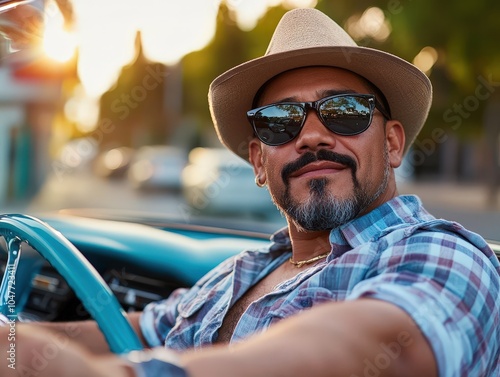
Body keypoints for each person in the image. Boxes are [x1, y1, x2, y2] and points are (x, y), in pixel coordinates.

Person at [1, 7, 499, 377]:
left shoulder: (444, 253)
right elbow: (135, 331)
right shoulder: (238, 273)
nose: (312, 135)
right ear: (260, 161)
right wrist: (15, 347)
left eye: (344, 111)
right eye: (281, 122)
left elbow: (387, 344)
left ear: (391, 143)